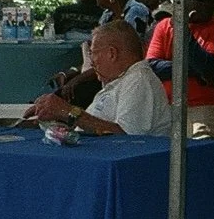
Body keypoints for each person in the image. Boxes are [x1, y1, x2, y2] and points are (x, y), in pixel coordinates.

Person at [24, 20, 170, 136]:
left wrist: (67, 111)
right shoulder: (122, 80)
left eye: (93, 53)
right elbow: (94, 126)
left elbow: (125, 137)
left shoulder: (138, 80)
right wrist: (56, 119)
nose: (91, 61)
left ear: (112, 53)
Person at [145, 0, 214, 140]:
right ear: (182, 1)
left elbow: (209, 67)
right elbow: (153, 67)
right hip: (167, 106)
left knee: (200, 142)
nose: (208, 5)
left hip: (207, 107)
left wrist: (184, 32)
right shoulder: (164, 26)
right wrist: (196, 71)